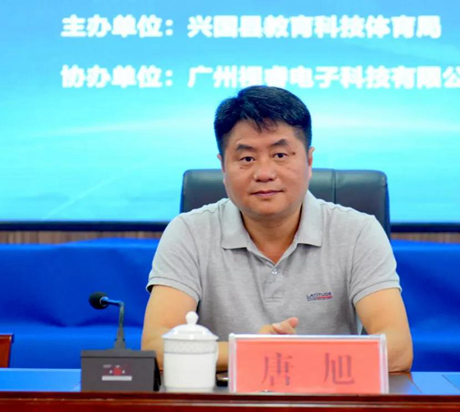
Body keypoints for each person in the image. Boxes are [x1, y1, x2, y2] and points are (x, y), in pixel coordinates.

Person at [142, 86, 413, 372]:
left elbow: (397, 351)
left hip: (327, 397)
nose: (264, 173)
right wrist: (249, 350)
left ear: (309, 161)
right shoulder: (189, 232)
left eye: (280, 155)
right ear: (223, 167)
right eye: (247, 159)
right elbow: (156, 346)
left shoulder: (358, 233)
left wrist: (285, 356)